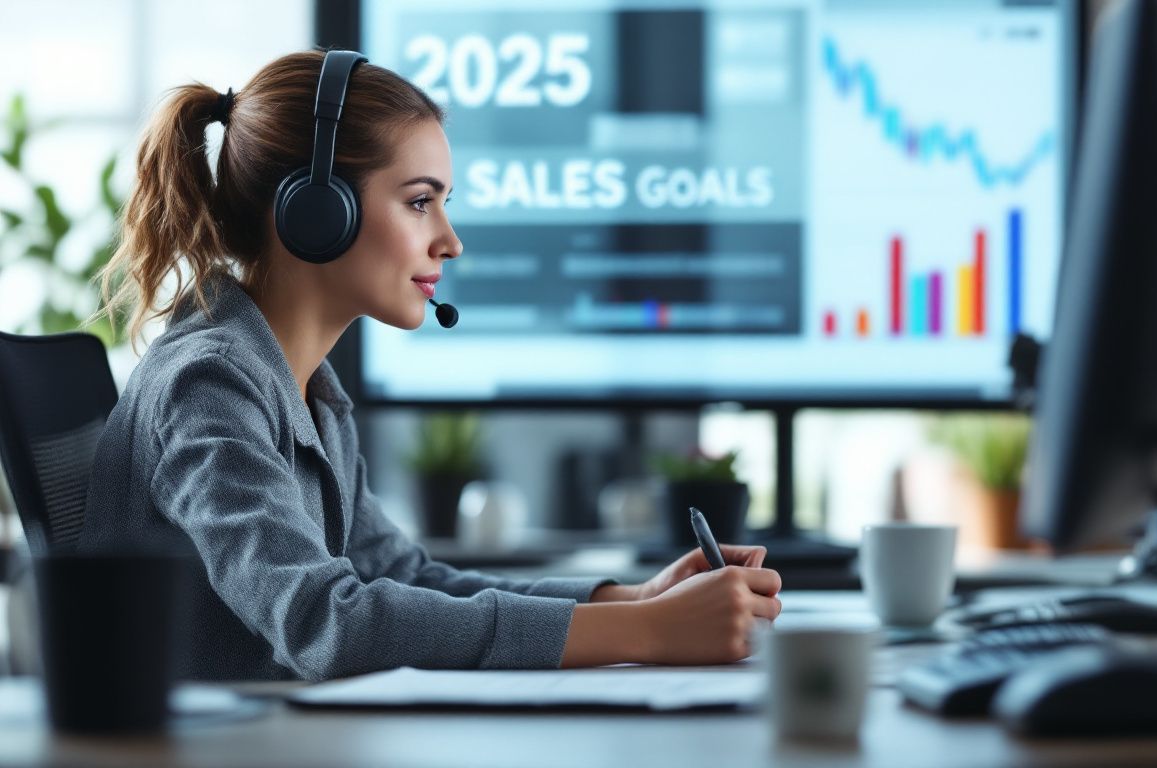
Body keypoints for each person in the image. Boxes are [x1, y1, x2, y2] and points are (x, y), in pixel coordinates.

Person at [81, 49, 782, 682]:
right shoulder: (208, 385)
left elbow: (399, 574)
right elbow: (325, 622)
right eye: (420, 202)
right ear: (316, 211)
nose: (449, 241)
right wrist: (642, 634)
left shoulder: (307, 393)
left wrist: (629, 600)